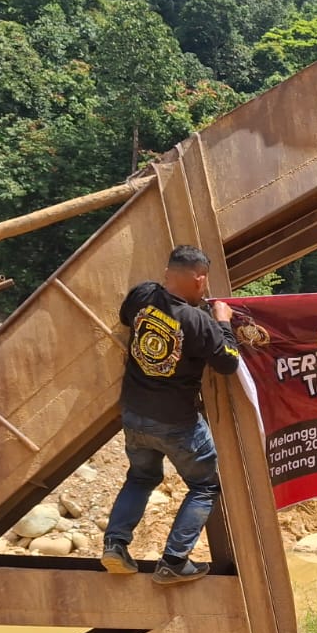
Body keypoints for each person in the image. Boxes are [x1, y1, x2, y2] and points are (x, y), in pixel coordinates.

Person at [101, 245, 241, 585]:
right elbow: (229, 362)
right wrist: (223, 321)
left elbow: (124, 318)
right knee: (205, 485)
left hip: (134, 414)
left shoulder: (143, 295)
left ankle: (115, 545)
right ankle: (174, 561)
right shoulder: (198, 322)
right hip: (177, 424)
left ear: (167, 273)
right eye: (205, 282)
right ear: (199, 278)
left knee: (141, 477)